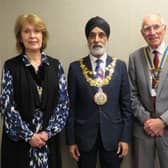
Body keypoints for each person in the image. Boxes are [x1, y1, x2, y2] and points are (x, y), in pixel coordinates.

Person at [0, 13, 69, 168]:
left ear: (43, 36)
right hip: (20, 145)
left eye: (37, 31)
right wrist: (29, 136)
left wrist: (46, 133)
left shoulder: (56, 66)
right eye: (27, 31)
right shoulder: (11, 66)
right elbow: (7, 107)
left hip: (48, 142)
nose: (32, 36)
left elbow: (63, 105)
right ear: (20, 37)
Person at [66, 16, 132, 168]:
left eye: (101, 34)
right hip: (83, 138)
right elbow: (71, 107)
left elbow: (126, 107)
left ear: (107, 38)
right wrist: (71, 141)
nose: (96, 39)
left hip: (113, 137)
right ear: (87, 39)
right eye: (92, 35)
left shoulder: (120, 67)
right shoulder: (75, 68)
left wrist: (125, 138)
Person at [128, 14, 168, 168]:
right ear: (142, 34)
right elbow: (131, 95)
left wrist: (163, 121)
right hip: (143, 129)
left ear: (165, 29)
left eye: (156, 27)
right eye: (147, 29)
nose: (152, 32)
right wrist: (147, 121)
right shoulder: (134, 58)